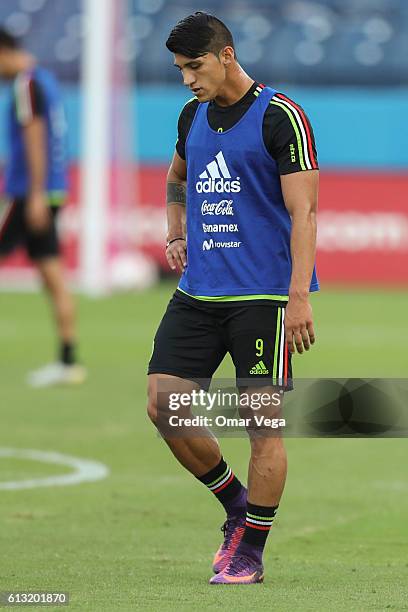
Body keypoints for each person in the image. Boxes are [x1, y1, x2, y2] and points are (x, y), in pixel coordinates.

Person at [147, 12, 319, 584]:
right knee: (164, 406)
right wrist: (175, 230)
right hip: (199, 294)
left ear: (226, 55)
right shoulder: (192, 115)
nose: (188, 80)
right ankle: (238, 506)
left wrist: (298, 297)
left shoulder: (280, 117)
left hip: (264, 298)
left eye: (194, 67)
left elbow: (305, 211)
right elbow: (177, 173)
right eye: (180, 70)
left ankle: (251, 552)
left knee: (261, 425)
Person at [0, 27, 86, 387]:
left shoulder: (26, 84)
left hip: (29, 193)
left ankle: (67, 361)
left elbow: (34, 138)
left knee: (52, 273)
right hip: (50, 191)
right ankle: (68, 361)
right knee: (52, 273)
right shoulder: (46, 80)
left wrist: (33, 193)